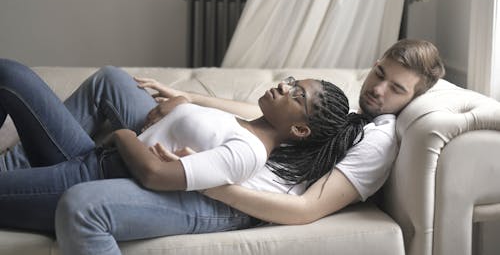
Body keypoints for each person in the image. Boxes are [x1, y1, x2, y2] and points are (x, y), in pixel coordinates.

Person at [53, 39, 445, 255]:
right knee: (112, 82)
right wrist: (187, 98)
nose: (378, 89)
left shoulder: (377, 139)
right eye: (379, 74)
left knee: (87, 203)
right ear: (374, 63)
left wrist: (208, 183)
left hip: (228, 197)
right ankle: (19, 167)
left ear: (412, 97)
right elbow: (263, 116)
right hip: (217, 158)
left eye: (396, 88)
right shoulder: (349, 116)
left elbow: (306, 210)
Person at [0, 59, 364, 234]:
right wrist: (184, 103)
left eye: (296, 94)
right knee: (10, 75)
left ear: (300, 129)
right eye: (289, 82)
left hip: (98, 172)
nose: (284, 87)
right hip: (92, 158)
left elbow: (155, 174)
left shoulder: (250, 152)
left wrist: (121, 135)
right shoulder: (247, 122)